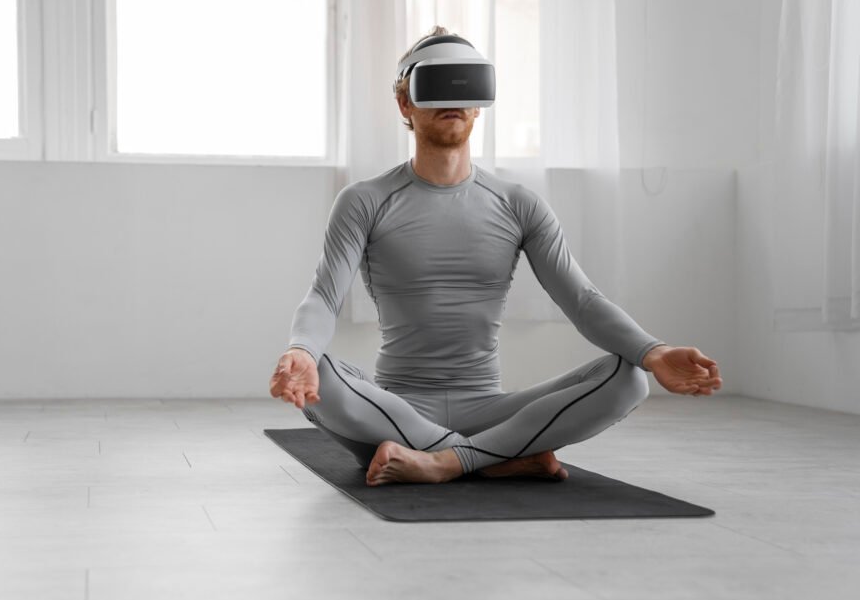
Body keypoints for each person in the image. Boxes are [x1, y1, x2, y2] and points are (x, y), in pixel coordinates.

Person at [268, 26, 722, 487]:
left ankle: (445, 461)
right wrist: (301, 350)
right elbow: (324, 296)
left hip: (490, 409)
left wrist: (655, 351)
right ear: (405, 103)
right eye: (437, 85)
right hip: (394, 410)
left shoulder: (518, 203)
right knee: (317, 373)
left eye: (464, 85)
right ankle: (496, 457)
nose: (453, 99)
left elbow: (583, 301)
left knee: (629, 377)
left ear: (480, 102)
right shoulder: (364, 200)